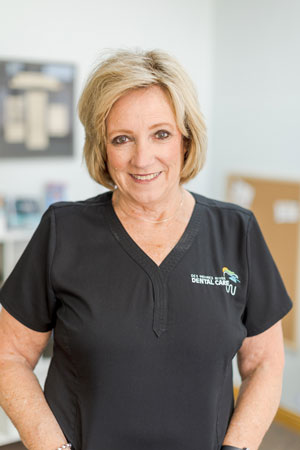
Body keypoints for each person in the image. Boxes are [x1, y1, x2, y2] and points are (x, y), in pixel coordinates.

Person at [0, 48, 293, 450]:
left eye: (161, 133)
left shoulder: (236, 231)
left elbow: (264, 362)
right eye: (122, 139)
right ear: (102, 148)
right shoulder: (62, 230)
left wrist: (237, 447)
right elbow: (9, 356)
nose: (142, 158)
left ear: (186, 139)